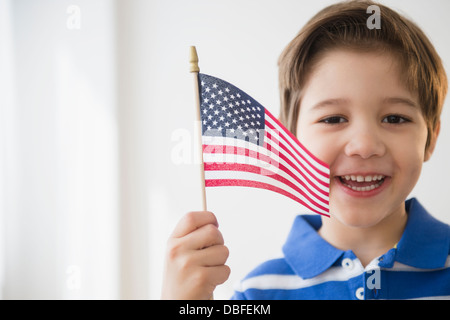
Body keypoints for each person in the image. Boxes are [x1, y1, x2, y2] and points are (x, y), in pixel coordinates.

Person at [161, 0, 450, 300]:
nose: (364, 146)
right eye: (333, 119)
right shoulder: (258, 292)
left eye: (394, 118)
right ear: (290, 138)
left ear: (431, 138)